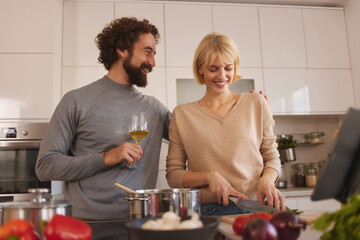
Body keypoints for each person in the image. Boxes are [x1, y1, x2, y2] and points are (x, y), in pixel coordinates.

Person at [36, 17, 171, 220]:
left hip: (141, 225)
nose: (152, 62)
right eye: (147, 52)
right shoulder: (76, 101)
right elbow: (45, 166)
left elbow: (194, 136)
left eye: (153, 54)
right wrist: (106, 158)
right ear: (122, 49)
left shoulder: (155, 109)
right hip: (88, 226)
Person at [166, 32, 285, 215]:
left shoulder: (257, 103)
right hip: (207, 212)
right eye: (213, 69)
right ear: (200, 68)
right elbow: (173, 175)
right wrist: (209, 176)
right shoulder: (182, 115)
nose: (222, 76)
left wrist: (267, 180)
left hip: (254, 208)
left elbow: (272, 158)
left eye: (228, 68)